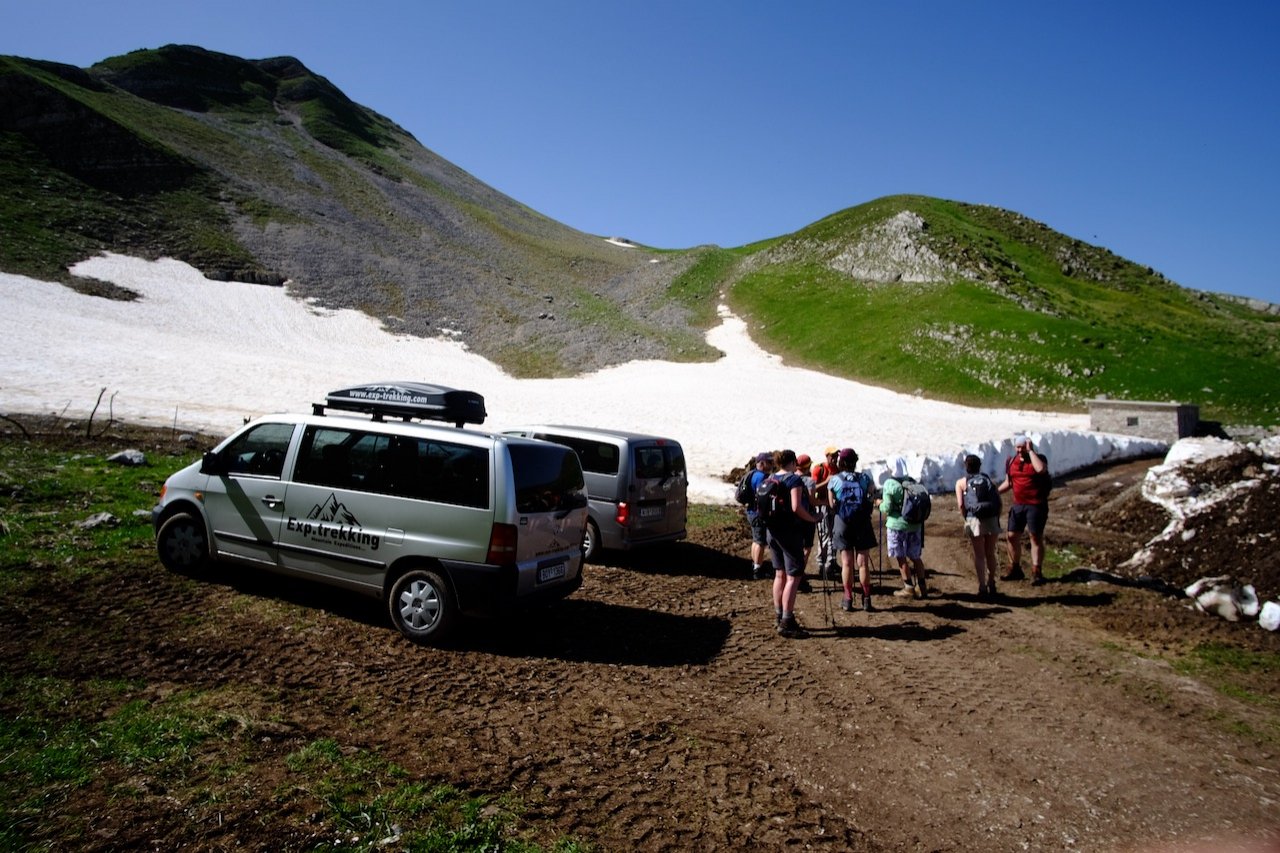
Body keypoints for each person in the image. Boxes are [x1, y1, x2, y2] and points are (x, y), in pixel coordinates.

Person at [764, 449, 820, 638]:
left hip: (772, 531)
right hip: (789, 532)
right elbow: (797, 507)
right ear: (793, 462)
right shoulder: (794, 480)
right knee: (794, 577)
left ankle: (778, 615)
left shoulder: (771, 478)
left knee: (779, 575)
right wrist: (812, 519)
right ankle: (787, 621)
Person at [999, 435, 1052, 585]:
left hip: (1036, 505)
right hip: (1018, 505)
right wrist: (995, 492)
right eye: (1017, 447)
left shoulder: (1038, 459)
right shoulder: (1012, 461)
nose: (1019, 450)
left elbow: (1041, 469)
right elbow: (1009, 482)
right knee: (1011, 536)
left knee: (1035, 537)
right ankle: (1015, 567)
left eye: (1022, 447)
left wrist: (1030, 452)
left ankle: (1037, 571)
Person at [829, 448, 877, 612]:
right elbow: (871, 495)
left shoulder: (835, 480)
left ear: (840, 462)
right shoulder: (864, 478)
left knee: (846, 563)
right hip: (862, 522)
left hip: (843, 523)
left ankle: (848, 598)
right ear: (855, 462)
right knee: (863, 564)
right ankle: (866, 598)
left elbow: (832, 505)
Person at [955, 454, 1002, 598]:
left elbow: (961, 505)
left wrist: (966, 518)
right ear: (979, 465)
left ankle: (982, 586)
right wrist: (996, 517)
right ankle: (991, 581)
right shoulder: (989, 480)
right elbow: (998, 502)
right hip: (992, 517)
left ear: (966, 466)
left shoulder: (961, 483)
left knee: (979, 555)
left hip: (973, 519)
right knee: (990, 553)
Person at [880, 476, 928, 599]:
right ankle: (922, 586)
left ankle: (908, 587)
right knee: (915, 556)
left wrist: (879, 505)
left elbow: (887, 507)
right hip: (915, 524)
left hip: (897, 525)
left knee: (901, 557)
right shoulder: (911, 481)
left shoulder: (890, 484)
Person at [810, 447, 841, 581]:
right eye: (832, 456)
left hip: (833, 505)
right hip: (822, 505)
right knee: (824, 534)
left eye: (836, 455)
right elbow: (812, 487)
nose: (834, 458)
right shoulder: (819, 469)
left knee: (833, 533)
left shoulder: (838, 469)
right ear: (827, 456)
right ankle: (822, 564)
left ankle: (831, 561)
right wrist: (826, 481)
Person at [744, 452, 774, 579]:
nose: (772, 464)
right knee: (760, 541)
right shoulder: (761, 477)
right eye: (769, 462)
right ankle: (758, 569)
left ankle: (755, 565)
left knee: (756, 540)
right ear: (762, 463)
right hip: (758, 512)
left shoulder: (753, 474)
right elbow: (762, 495)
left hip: (751, 511)